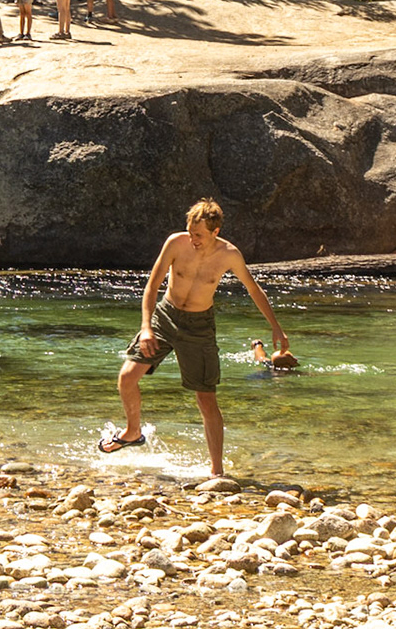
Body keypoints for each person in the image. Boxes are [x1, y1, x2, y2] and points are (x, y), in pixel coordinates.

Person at [101, 198, 289, 482]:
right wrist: (146, 326)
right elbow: (152, 285)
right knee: (127, 376)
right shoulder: (176, 243)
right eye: (190, 232)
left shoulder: (230, 255)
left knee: (206, 399)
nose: (193, 239)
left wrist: (276, 327)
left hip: (199, 327)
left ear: (215, 232)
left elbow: (253, 289)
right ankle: (132, 432)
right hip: (164, 317)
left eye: (198, 235)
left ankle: (217, 472)